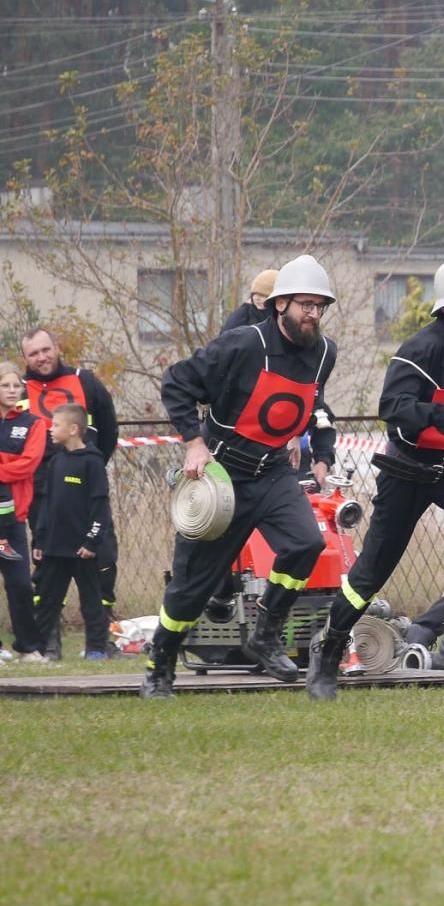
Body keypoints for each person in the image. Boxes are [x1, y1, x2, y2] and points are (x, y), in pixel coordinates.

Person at [307, 253, 444, 699]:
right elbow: (393, 408)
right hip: (406, 467)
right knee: (372, 571)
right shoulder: (421, 350)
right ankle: (329, 649)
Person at [137, 254, 341, 698]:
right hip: (222, 477)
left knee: (306, 545)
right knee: (192, 588)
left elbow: (317, 407)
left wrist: (322, 453)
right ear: (280, 304)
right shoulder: (242, 345)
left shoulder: (325, 353)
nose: (313, 314)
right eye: (305, 305)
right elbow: (176, 382)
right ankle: (159, 664)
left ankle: (266, 633)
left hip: (274, 473)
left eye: (319, 306)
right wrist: (194, 442)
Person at [21, 327, 120, 657]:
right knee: (48, 568)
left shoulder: (85, 381)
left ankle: (100, 640)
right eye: (33, 353)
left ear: (57, 347)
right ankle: (49, 641)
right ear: (25, 358)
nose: (41, 357)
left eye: (45, 349)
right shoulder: (17, 389)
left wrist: (92, 465)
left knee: (102, 560)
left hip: (86, 492)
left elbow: (109, 427)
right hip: (42, 493)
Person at [31, 403, 113, 659]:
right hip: (54, 547)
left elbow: (100, 506)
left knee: (91, 600)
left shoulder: (92, 462)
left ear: (74, 429)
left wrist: (92, 541)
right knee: (47, 600)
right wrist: (40, 539)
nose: (50, 429)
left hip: (82, 549)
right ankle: (40, 649)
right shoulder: (56, 462)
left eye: (56, 425)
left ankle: (96, 648)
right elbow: (47, 504)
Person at [0, 364, 47, 661]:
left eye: (16, 385)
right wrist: (9, 461)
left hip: (12, 519)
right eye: (5, 385)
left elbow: (28, 464)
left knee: (19, 583)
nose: (11, 390)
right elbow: (15, 464)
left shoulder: (33, 423)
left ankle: (28, 647)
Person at [221, 268, 279, 332]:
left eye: (263, 295)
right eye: (255, 294)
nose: (257, 299)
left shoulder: (279, 316)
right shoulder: (242, 316)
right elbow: (226, 335)